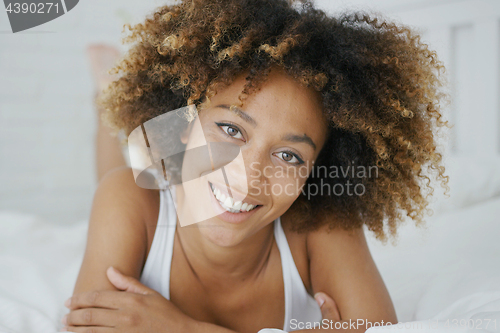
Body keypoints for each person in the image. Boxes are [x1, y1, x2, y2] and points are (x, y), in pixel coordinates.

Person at [61, 0, 448, 332]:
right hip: (157, 184)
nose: (249, 176)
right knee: (128, 169)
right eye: (230, 128)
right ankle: (105, 93)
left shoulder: (321, 223)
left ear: (313, 172)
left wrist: (183, 329)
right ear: (184, 120)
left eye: (289, 156)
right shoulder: (129, 200)